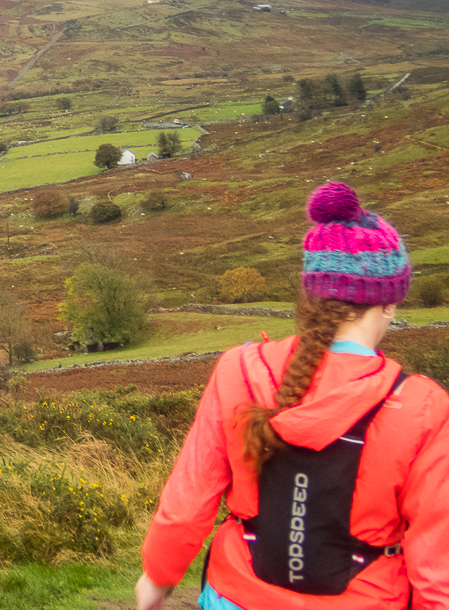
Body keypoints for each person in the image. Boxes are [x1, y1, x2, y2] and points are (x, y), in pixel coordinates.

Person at [136, 182, 449, 610]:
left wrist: (157, 579)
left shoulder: (239, 370)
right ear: (390, 302)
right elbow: (438, 555)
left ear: (312, 292)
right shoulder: (424, 407)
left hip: (236, 594)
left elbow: (188, 501)